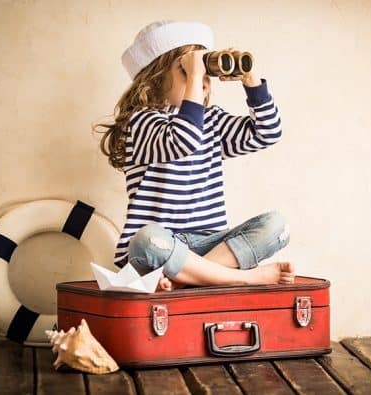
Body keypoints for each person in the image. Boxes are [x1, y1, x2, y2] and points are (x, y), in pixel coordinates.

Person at [94, 20, 294, 291]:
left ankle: (181, 282)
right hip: (161, 247)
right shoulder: (142, 122)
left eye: (205, 74)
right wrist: (196, 78)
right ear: (154, 79)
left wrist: (250, 78)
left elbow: (267, 133)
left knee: (276, 225)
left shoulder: (211, 121)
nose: (202, 81)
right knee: (146, 239)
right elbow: (183, 140)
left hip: (207, 245)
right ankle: (241, 278)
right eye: (187, 72)